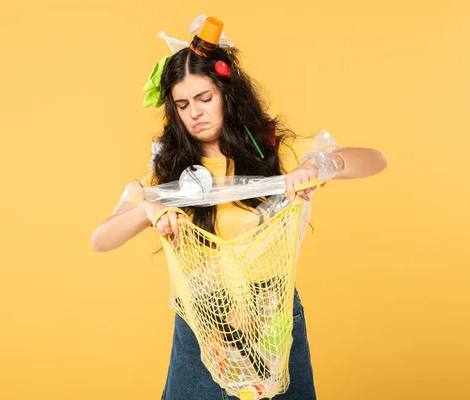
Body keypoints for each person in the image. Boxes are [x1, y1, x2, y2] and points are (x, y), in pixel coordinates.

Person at [91, 15, 387, 400]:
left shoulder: (273, 152)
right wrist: (148, 210)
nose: (194, 112)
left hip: (271, 318)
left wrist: (318, 164)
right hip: (202, 324)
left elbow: (376, 160)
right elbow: (101, 240)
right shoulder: (167, 173)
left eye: (204, 98)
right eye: (182, 104)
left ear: (227, 94)